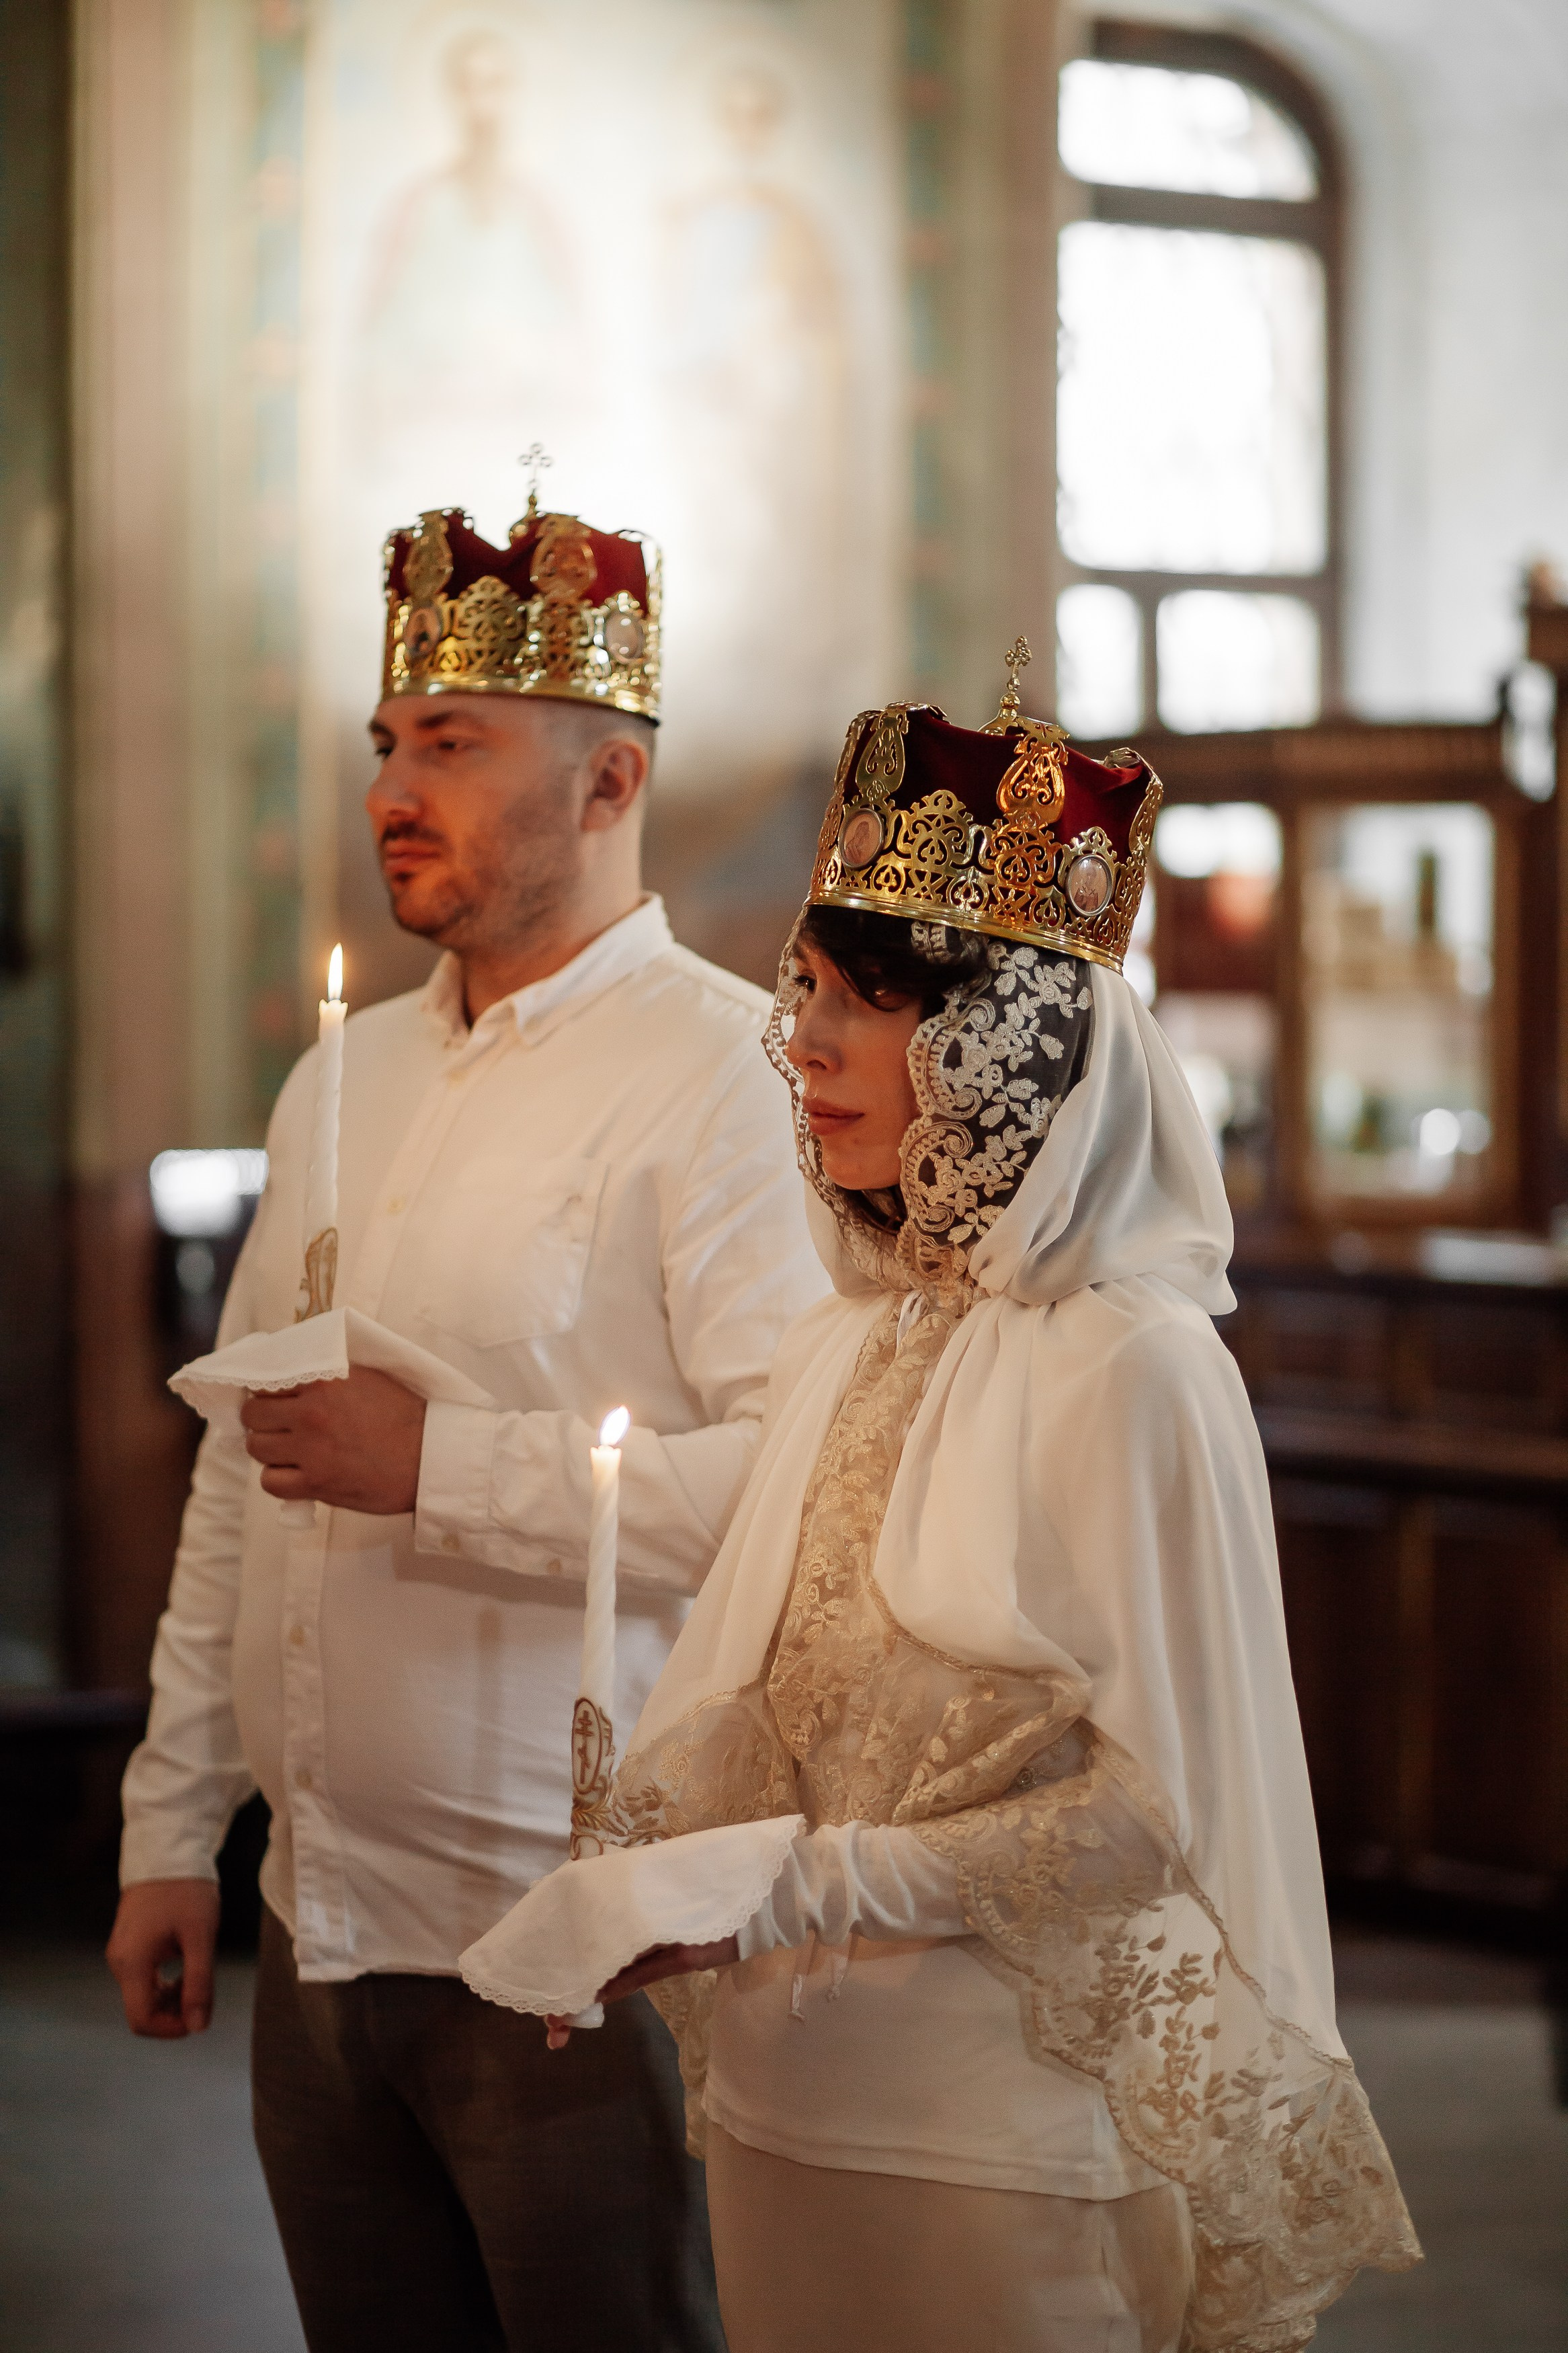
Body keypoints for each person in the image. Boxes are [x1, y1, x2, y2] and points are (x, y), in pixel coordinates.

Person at [460, 656, 1421, 2352]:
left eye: (867, 1002)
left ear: (1000, 1042)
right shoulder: (854, 1338)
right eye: (806, 988)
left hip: (1002, 2146)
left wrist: (804, 1889)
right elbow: (790, 1715)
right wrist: (657, 1890)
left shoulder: (1130, 1364)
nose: (804, 1043)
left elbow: (1156, 1818)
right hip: (787, 2109)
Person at [106, 492, 825, 2353]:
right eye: (384, 746)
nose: (389, 790)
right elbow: (233, 1470)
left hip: (570, 1949)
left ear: (607, 784)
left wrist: (435, 1465)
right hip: (317, 1929)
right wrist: (174, 1821)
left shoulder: (725, 1077)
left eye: (450, 743)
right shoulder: (341, 1073)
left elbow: (798, 1491)